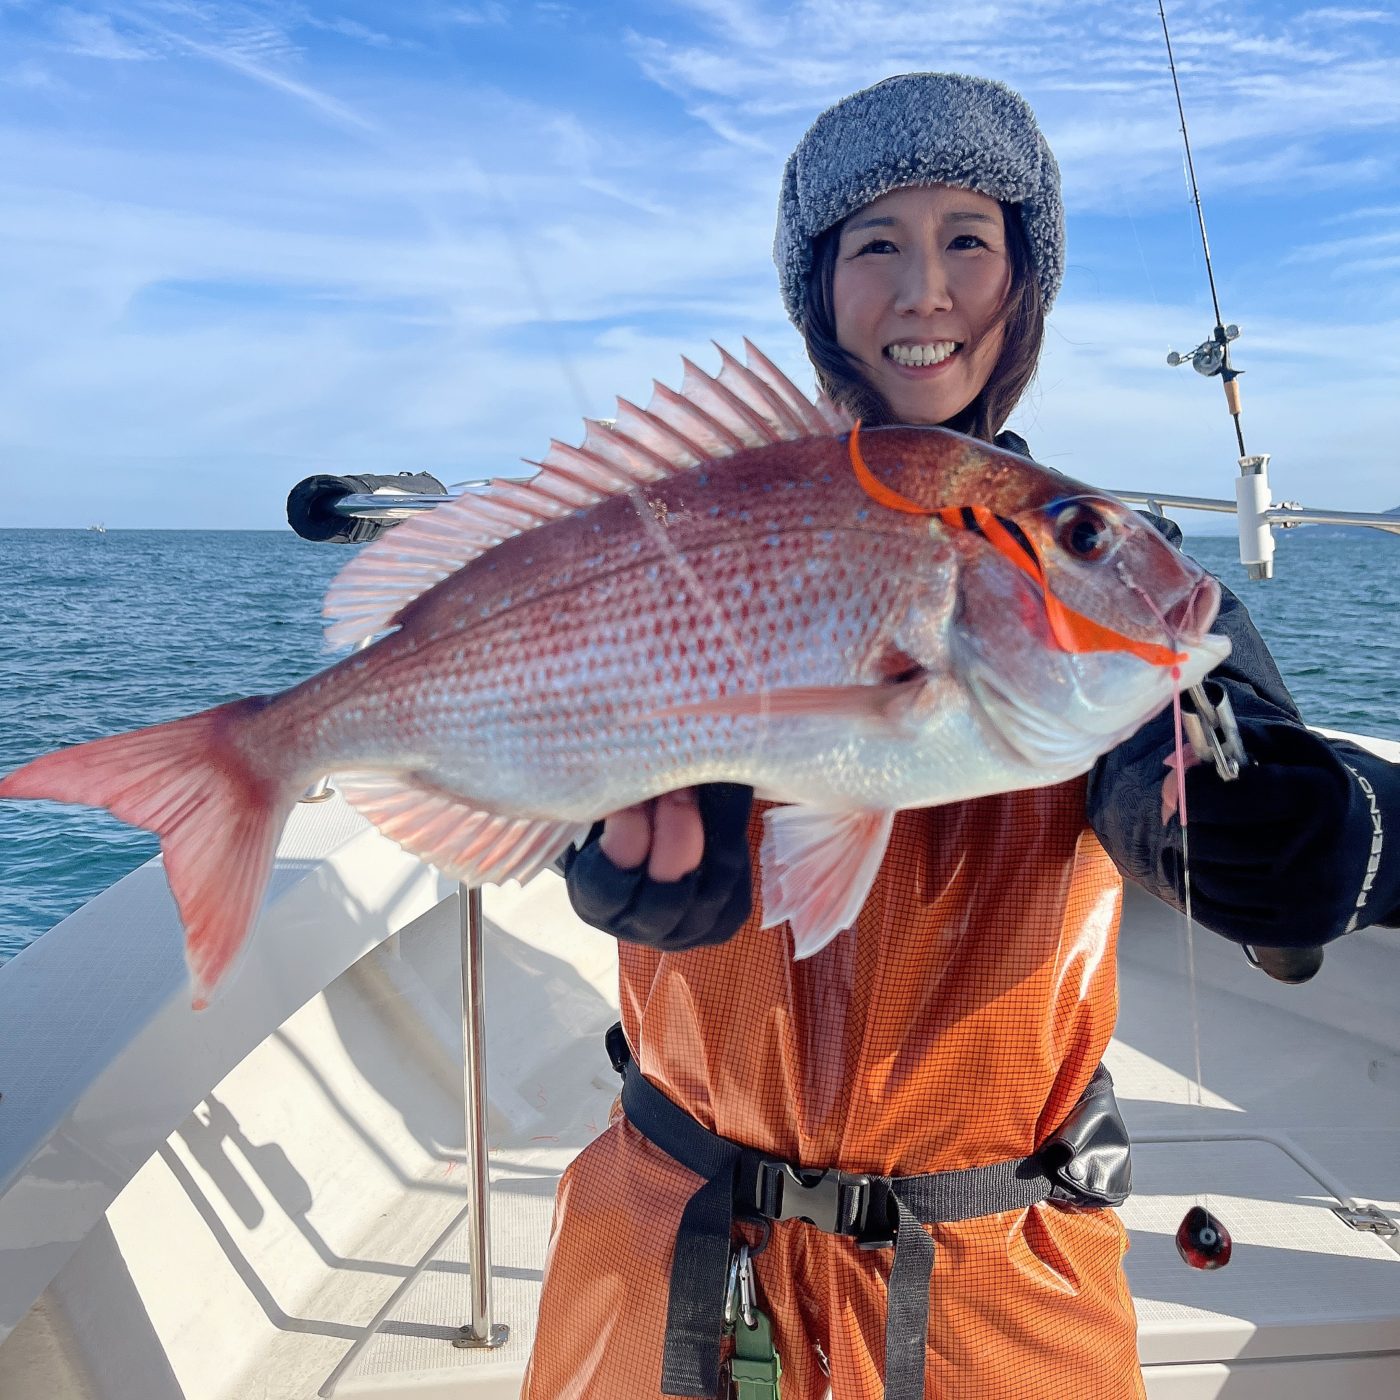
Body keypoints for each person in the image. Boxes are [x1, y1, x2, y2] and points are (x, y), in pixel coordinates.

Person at [521, 73, 1400, 1400]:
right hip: (671, 1245)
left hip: (1000, 1278)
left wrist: (1323, 839)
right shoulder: (702, 532)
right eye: (876, 243)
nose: (925, 289)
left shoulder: (1091, 569)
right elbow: (559, 720)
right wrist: (595, 848)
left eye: (969, 241)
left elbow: (1237, 758)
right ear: (818, 293)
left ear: (1026, 283)